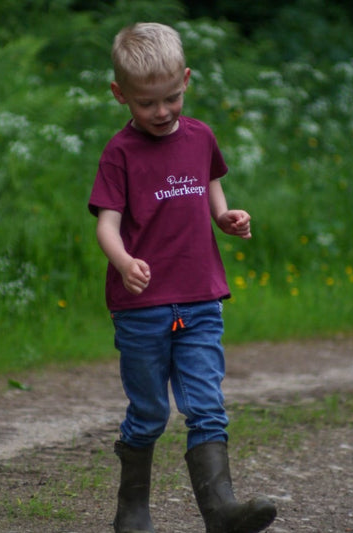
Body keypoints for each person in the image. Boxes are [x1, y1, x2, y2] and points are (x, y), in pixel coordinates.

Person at [88, 22, 277, 533]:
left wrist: (224, 217)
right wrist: (124, 262)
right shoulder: (119, 152)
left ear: (186, 80)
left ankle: (221, 511)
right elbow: (106, 224)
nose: (161, 111)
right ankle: (132, 511)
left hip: (199, 299)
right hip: (143, 308)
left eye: (171, 98)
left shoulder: (200, 137)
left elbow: (210, 182)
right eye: (146, 103)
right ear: (119, 94)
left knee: (207, 406)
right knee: (149, 413)